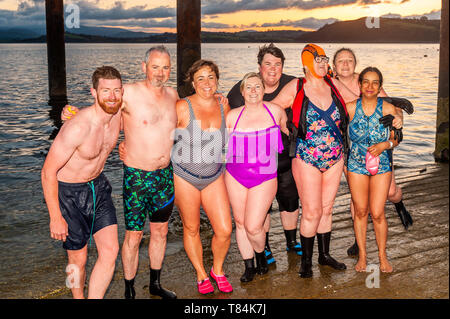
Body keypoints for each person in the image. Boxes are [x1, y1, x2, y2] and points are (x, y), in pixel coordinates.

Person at [62, 46, 178, 299]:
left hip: (165, 177)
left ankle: (156, 284)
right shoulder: (130, 94)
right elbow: (103, 111)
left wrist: (219, 101)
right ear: (143, 66)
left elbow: (188, 117)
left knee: (160, 232)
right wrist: (72, 114)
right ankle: (129, 289)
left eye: (166, 67)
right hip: (137, 177)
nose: (160, 73)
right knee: (134, 236)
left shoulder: (173, 94)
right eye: (155, 66)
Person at [271, 44, 359, 278]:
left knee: (327, 209)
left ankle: (324, 255)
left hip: (336, 156)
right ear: (306, 63)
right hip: (306, 157)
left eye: (324, 59)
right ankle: (306, 262)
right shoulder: (297, 86)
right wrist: (284, 126)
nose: (323, 63)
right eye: (317, 59)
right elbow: (274, 108)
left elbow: (358, 103)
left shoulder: (333, 83)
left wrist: (392, 106)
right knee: (311, 211)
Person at [41, 66, 123, 299]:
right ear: (93, 92)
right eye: (106, 91)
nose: (112, 96)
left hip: (98, 187)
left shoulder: (118, 115)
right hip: (68, 193)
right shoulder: (77, 126)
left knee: (110, 251)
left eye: (116, 91)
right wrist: (55, 217)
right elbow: (48, 172)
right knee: (77, 258)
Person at [332, 48, 413, 257]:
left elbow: (393, 107)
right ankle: (358, 242)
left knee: (391, 192)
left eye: (350, 60)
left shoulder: (367, 79)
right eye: (341, 60)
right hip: (352, 148)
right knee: (357, 200)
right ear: (334, 65)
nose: (346, 64)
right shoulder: (330, 84)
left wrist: (399, 120)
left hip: (379, 146)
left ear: (355, 64)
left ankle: (399, 204)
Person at [227, 43, 302, 266]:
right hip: (255, 166)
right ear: (259, 67)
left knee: (290, 202)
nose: (273, 69)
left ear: (283, 67)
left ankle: (291, 241)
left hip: (285, 159)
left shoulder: (294, 84)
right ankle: (264, 247)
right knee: (261, 211)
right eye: (268, 64)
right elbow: (226, 123)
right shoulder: (239, 92)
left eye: (277, 64)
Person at [171, 60, 233, 294]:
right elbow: (158, 130)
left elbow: (231, 140)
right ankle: (201, 274)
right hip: (184, 175)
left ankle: (218, 270)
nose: (207, 83)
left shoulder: (222, 106)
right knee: (191, 227)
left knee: (225, 229)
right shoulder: (181, 107)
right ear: (192, 83)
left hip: (213, 176)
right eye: (201, 78)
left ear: (217, 80)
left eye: (210, 77)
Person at [225, 72, 288, 282]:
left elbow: (291, 134)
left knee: (253, 225)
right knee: (241, 222)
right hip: (235, 174)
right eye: (248, 87)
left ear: (264, 90)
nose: (253, 91)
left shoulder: (276, 112)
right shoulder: (232, 116)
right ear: (242, 92)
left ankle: (261, 256)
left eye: (257, 87)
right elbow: (220, 146)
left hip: (265, 175)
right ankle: (249, 266)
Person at [346, 67, 400, 273]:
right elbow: (339, 134)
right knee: (360, 211)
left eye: (375, 82)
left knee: (377, 213)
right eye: (366, 82)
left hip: (382, 164)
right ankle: (362, 256)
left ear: (380, 86)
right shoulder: (350, 108)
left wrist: (384, 145)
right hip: (356, 165)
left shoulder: (387, 108)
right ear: (359, 85)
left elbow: (397, 138)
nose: (370, 86)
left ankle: (382, 256)